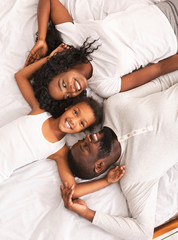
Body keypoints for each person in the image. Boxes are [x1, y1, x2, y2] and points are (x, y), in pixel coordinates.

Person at [60, 82, 178, 240]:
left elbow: (162, 83)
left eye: (82, 140)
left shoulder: (113, 106)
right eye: (85, 147)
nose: (87, 137)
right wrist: (88, 213)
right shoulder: (134, 178)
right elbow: (143, 233)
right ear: (99, 165)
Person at [25, 0, 178, 103]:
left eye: (63, 85)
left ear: (60, 70)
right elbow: (157, 69)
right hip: (174, 38)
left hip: (165, 9)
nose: (71, 91)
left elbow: (50, 1)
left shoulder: (71, 38)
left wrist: (42, 39)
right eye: (67, 96)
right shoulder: (104, 86)